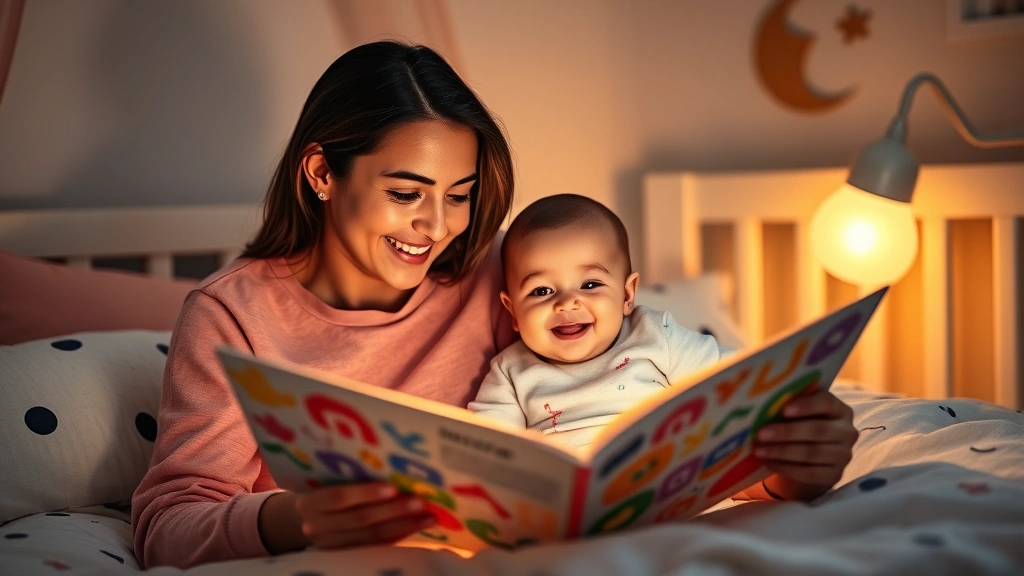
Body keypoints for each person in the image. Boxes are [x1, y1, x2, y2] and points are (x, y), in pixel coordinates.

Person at [131, 41, 517, 569]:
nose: (438, 227)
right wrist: (297, 518)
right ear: (322, 174)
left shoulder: (498, 278)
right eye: (406, 194)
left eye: (458, 195)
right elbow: (166, 526)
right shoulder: (230, 315)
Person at [468, 194, 858, 503]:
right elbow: (490, 448)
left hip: (669, 484)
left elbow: (733, 381)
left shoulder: (654, 334)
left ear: (627, 294)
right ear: (512, 312)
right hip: (565, 503)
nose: (567, 303)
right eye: (541, 291)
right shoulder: (510, 370)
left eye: (590, 285)